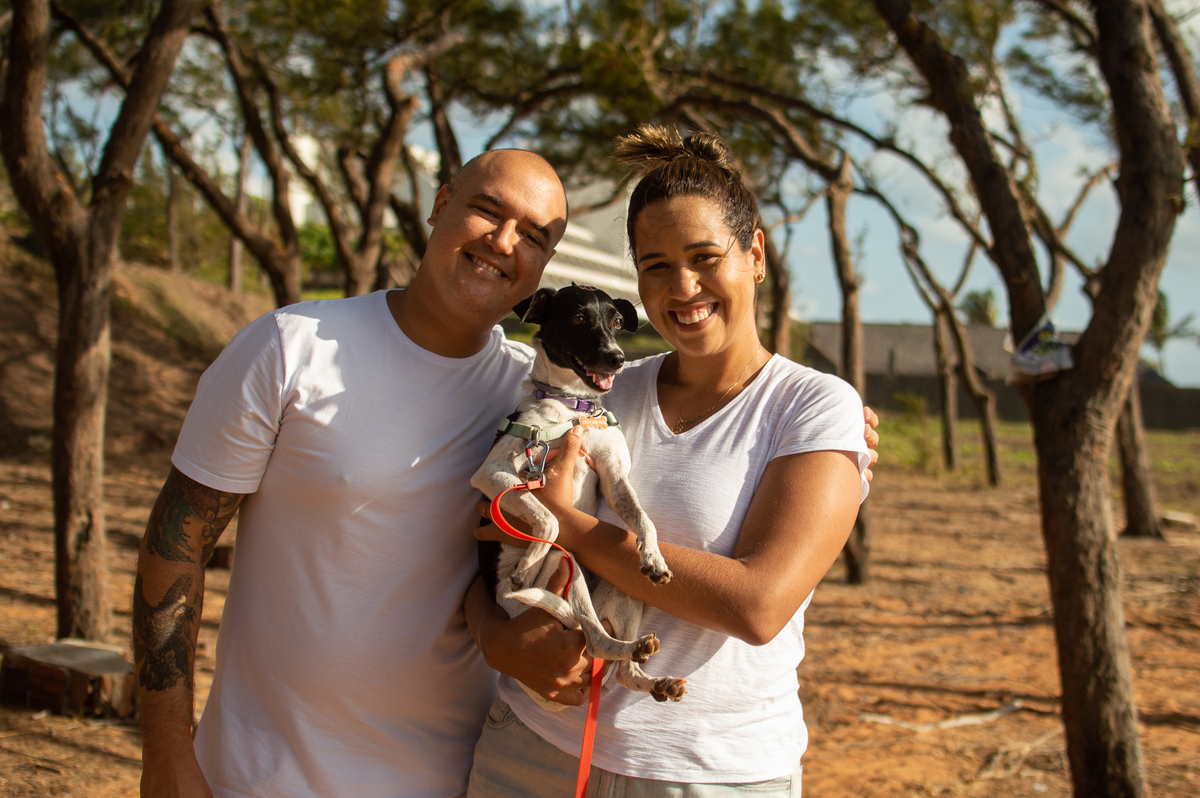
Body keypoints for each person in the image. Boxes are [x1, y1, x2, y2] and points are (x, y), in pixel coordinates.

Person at [134, 146, 878, 798]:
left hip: (533, 768)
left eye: (535, 236)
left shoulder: (558, 391)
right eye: (488, 211)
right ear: (440, 204)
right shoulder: (300, 349)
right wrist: (166, 754)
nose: (503, 243)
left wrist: (837, 427)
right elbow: (178, 545)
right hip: (354, 768)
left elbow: (756, 594)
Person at [467, 126, 871, 797]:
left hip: (710, 777)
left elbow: (758, 604)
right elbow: (486, 528)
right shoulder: (595, 388)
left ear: (756, 255)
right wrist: (492, 635)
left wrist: (565, 524)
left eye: (705, 258)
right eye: (656, 266)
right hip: (534, 752)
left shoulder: (812, 406)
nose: (683, 288)